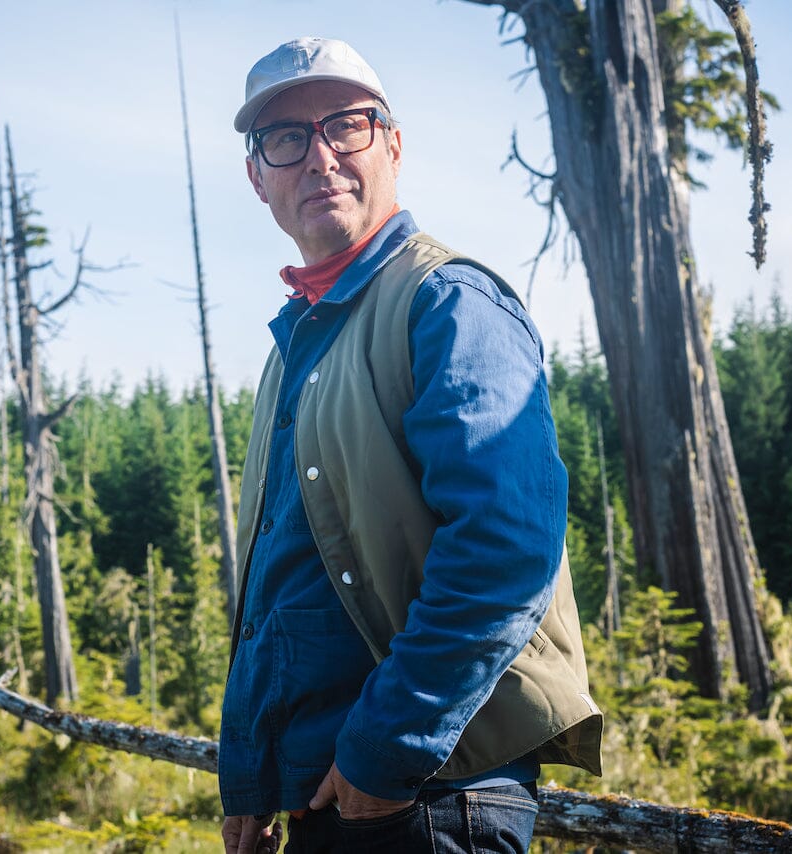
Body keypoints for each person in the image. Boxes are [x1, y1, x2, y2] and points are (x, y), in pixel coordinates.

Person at [220, 37, 602, 854]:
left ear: (391, 145)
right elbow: (278, 587)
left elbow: (506, 551)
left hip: (428, 802)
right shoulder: (296, 348)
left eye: (346, 126)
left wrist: (380, 756)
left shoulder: (449, 303)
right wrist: (250, 778)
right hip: (331, 801)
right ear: (259, 178)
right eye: (287, 138)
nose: (320, 156)